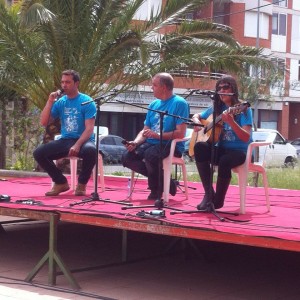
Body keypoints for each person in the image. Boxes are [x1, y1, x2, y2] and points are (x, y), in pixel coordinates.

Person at [122, 72, 189, 200]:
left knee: (150, 155)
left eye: (154, 85)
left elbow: (180, 133)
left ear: (164, 87)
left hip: (170, 144)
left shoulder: (180, 103)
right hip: (151, 143)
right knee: (126, 157)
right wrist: (135, 143)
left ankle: (156, 190)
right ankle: (166, 182)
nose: (151, 88)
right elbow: (145, 130)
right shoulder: (153, 104)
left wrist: (158, 136)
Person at [191, 75, 253, 210]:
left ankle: (218, 201)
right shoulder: (217, 108)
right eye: (219, 88)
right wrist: (196, 123)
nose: (222, 90)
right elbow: (197, 115)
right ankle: (208, 193)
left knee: (225, 160)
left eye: (226, 87)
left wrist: (231, 121)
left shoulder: (243, 109)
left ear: (233, 89)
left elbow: (246, 137)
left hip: (240, 152)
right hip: (221, 149)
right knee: (200, 147)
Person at [33, 69, 97, 196]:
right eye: (62, 82)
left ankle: (82, 184)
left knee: (91, 151)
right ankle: (60, 182)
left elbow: (89, 129)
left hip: (84, 140)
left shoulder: (87, 101)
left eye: (67, 82)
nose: (64, 85)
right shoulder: (61, 102)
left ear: (76, 83)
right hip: (66, 140)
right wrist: (50, 101)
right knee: (39, 153)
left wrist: (77, 145)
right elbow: (44, 122)